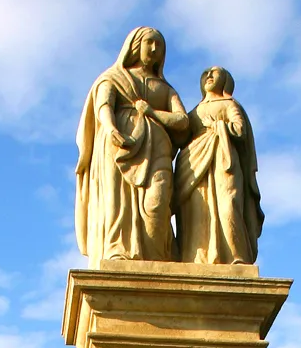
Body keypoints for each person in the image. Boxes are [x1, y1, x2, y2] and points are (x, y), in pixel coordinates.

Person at [74, 27, 189, 265]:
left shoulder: (166, 89)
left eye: (160, 46)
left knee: (156, 205)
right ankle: (118, 250)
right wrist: (111, 129)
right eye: (150, 43)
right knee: (118, 203)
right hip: (119, 146)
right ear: (135, 45)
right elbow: (103, 104)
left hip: (158, 149)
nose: (155, 50)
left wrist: (152, 112)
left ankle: (159, 260)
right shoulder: (114, 77)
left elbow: (183, 120)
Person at [174, 66, 263, 265]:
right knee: (198, 212)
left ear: (225, 80)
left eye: (215, 73)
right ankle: (197, 259)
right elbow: (179, 136)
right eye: (206, 73)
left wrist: (217, 126)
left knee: (228, 206)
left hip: (224, 161)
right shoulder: (194, 112)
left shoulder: (230, 104)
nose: (209, 76)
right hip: (194, 164)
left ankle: (235, 256)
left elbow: (240, 130)